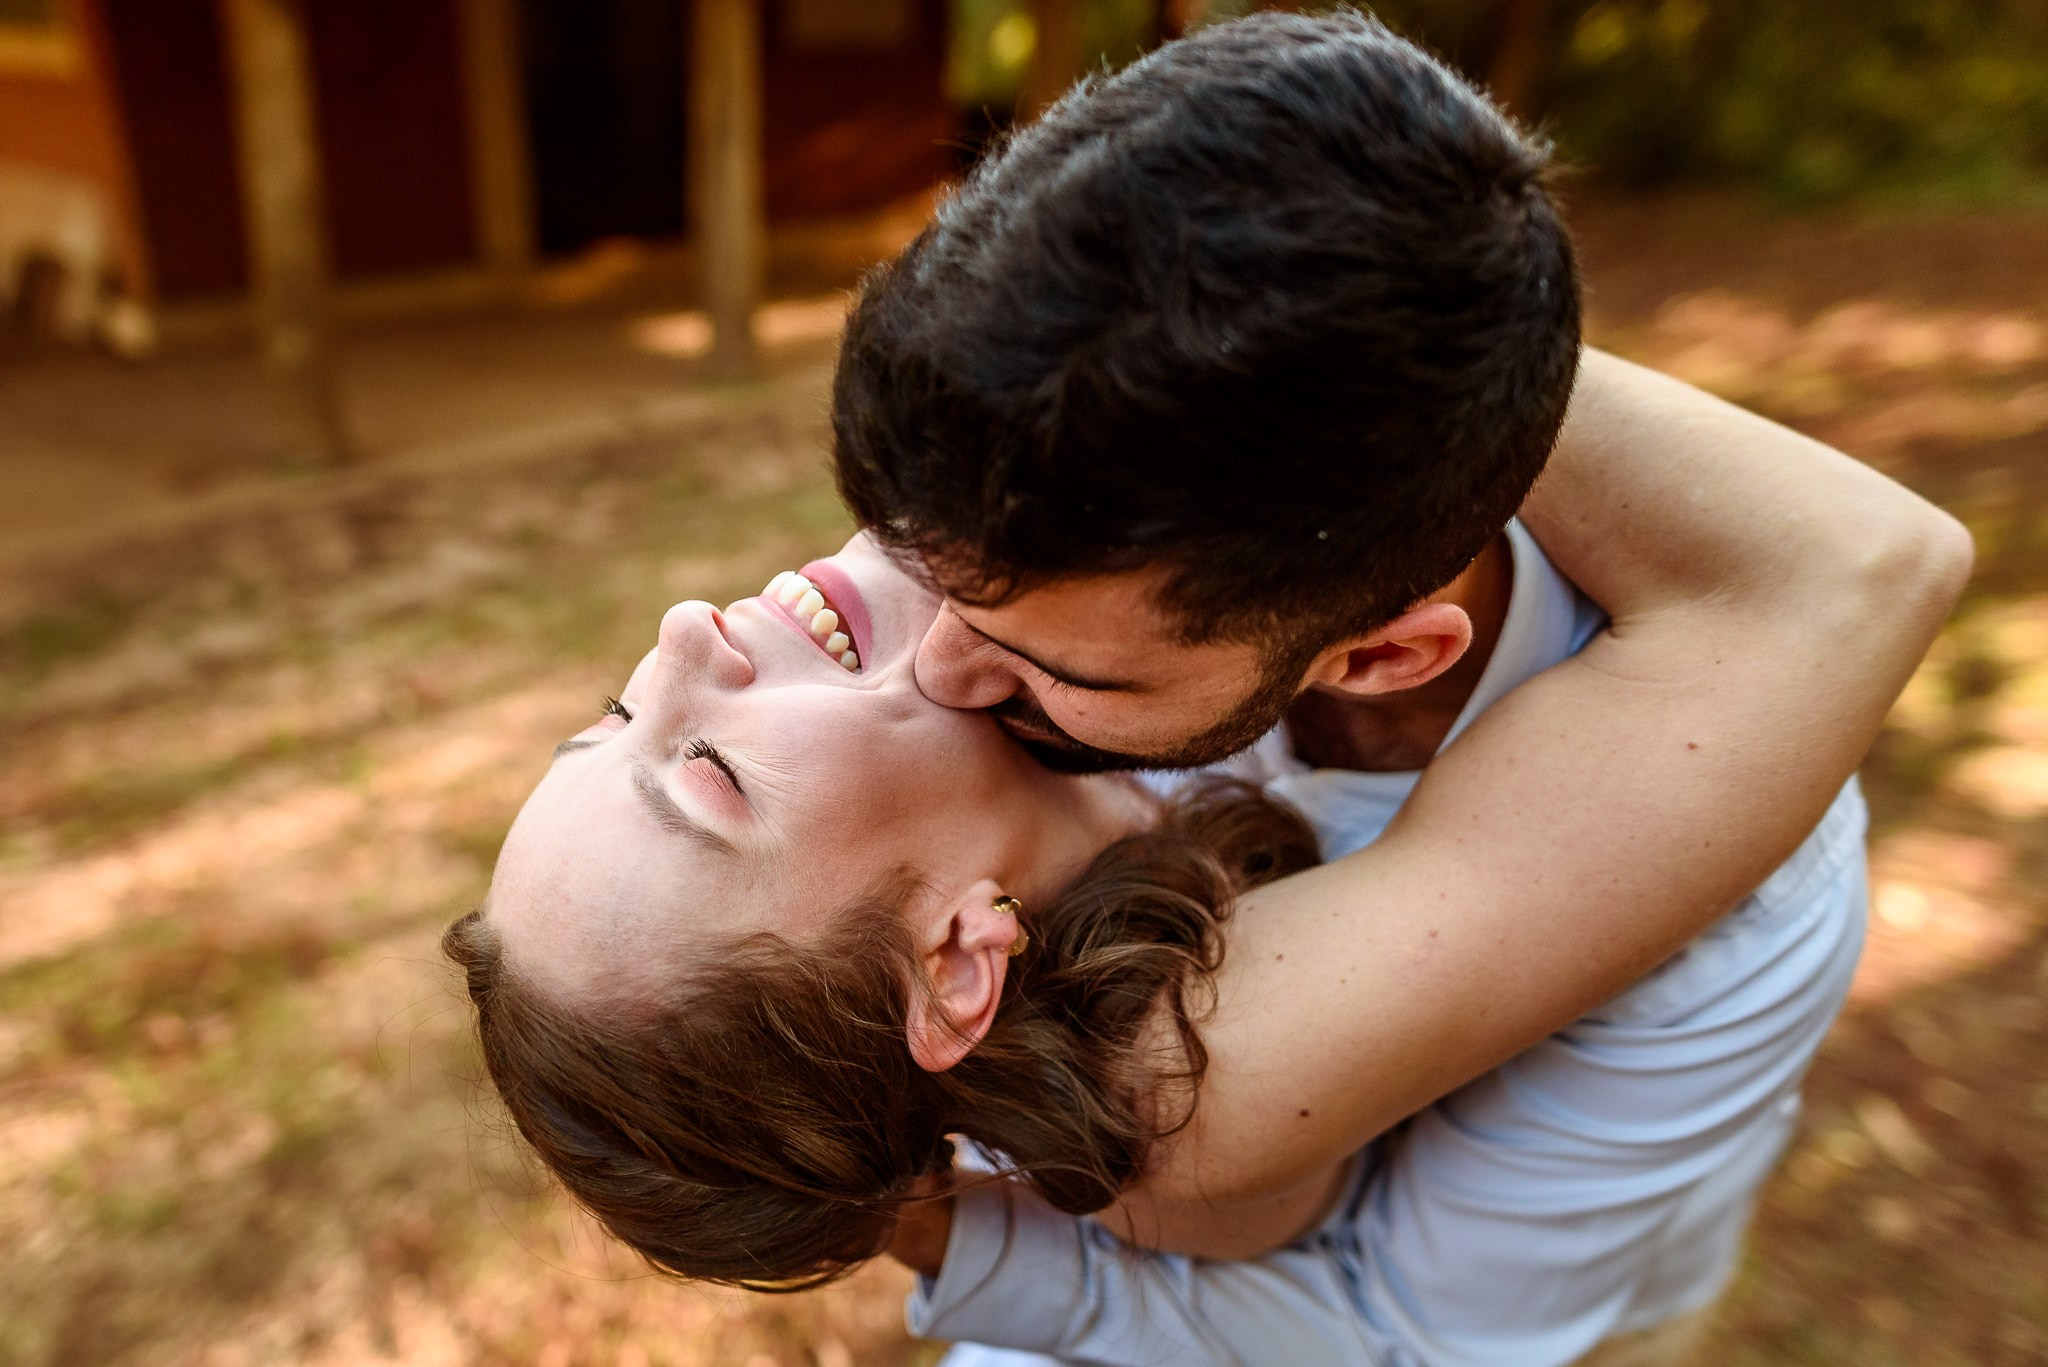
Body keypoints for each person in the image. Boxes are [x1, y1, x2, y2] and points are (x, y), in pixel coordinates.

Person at [822, 11, 1965, 1363]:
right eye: (921, 577)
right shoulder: (1093, 559)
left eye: (1057, 667)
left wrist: (943, 1232)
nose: (935, 670)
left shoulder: (1745, 900)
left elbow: (1404, 1335)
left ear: (1380, 653)